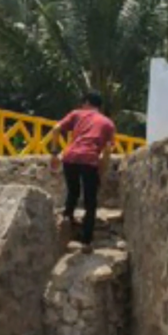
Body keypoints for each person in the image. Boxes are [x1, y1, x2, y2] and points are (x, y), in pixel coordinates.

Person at [49, 90, 115, 254]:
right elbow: (107, 150)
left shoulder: (77, 114)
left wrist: (54, 153)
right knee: (90, 201)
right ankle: (86, 242)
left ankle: (67, 217)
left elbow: (56, 128)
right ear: (100, 106)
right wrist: (102, 170)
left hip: (70, 157)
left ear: (86, 103)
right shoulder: (108, 123)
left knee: (72, 191)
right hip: (89, 159)